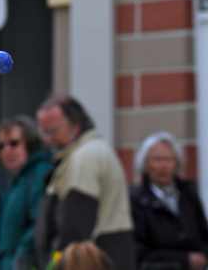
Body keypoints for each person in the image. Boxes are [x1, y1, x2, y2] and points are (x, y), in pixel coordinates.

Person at [34, 95, 135, 269]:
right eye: (43, 131)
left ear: (75, 125)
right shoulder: (90, 151)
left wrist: (55, 265)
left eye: (53, 131)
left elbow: (75, 227)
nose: (47, 139)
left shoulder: (85, 158)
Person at [130, 131, 208, 270]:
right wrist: (184, 260)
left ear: (177, 163)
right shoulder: (137, 200)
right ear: (145, 165)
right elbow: (137, 251)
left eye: (169, 159)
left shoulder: (188, 195)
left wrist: (204, 257)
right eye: (157, 159)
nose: (163, 166)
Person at [0, 116, 52, 270]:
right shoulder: (16, 183)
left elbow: (39, 224)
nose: (6, 150)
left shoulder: (40, 174)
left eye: (14, 143)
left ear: (30, 145)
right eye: (0, 146)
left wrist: (20, 259)